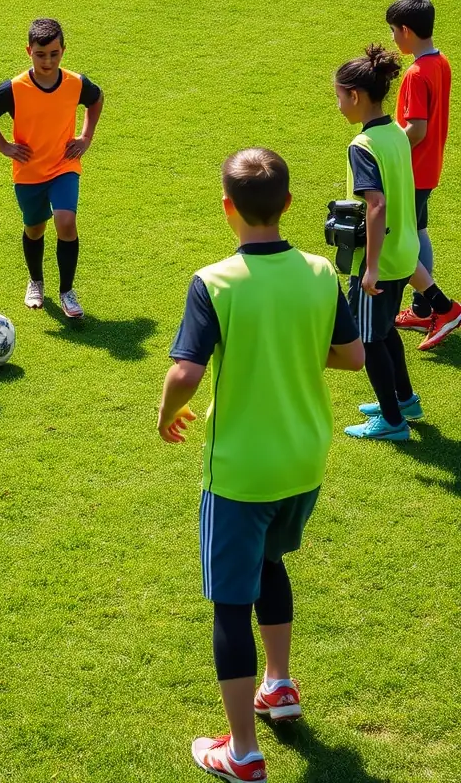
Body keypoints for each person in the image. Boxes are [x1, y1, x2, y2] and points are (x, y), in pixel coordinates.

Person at [158, 148, 363, 782]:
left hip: (241, 473)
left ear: (228, 209)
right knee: (271, 564)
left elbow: (187, 370)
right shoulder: (320, 271)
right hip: (304, 461)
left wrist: (166, 412)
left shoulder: (214, 282)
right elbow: (352, 358)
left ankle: (242, 753)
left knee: (228, 605)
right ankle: (280, 685)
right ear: (289, 206)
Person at [335, 44, 458, 439]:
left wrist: (369, 267)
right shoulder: (395, 133)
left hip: (381, 262)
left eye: (338, 96)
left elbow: (376, 204)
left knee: (369, 339)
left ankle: (391, 421)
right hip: (405, 253)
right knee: (385, 330)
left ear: (355, 96)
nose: (338, 105)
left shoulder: (363, 146)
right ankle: (404, 399)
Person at [0, 18, 104, 319]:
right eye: (40, 54)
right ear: (28, 51)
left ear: (63, 51)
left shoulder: (75, 83)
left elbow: (96, 100)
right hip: (29, 172)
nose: (48, 61)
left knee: (65, 221)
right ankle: (36, 281)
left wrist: (85, 136)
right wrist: (3, 145)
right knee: (35, 227)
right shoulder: (15, 88)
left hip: (64, 165)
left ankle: (67, 291)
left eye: (54, 54)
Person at [387, 0, 461, 347]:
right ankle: (420, 309)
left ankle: (440, 308)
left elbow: (416, 128)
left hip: (412, 169)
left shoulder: (417, 74)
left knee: (404, 240)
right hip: (428, 166)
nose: (392, 39)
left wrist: (387, 152)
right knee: (418, 230)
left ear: (406, 30)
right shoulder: (440, 61)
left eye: (393, 31)